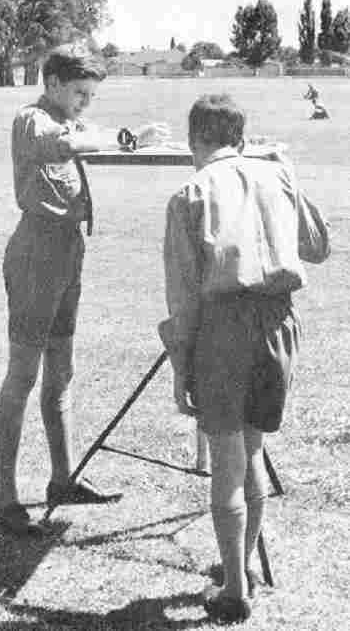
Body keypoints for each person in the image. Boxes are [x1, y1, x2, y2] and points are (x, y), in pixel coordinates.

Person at [159, 94, 330, 624]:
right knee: (251, 451)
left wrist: (181, 366)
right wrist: (286, 172)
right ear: (241, 137)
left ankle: (235, 590)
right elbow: (318, 246)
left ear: (195, 140)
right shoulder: (276, 175)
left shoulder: (190, 193)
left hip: (224, 328)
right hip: (279, 323)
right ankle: (245, 567)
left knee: (227, 463)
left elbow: (184, 298)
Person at [0, 46, 169, 535]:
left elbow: (87, 137)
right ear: (51, 83)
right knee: (22, 376)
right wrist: (124, 137)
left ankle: (62, 479)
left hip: (68, 249)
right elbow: (66, 143)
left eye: (91, 95)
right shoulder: (32, 120)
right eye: (79, 93)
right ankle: (4, 496)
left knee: (62, 370)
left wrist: (132, 140)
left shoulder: (69, 120)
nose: (85, 103)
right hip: (36, 252)